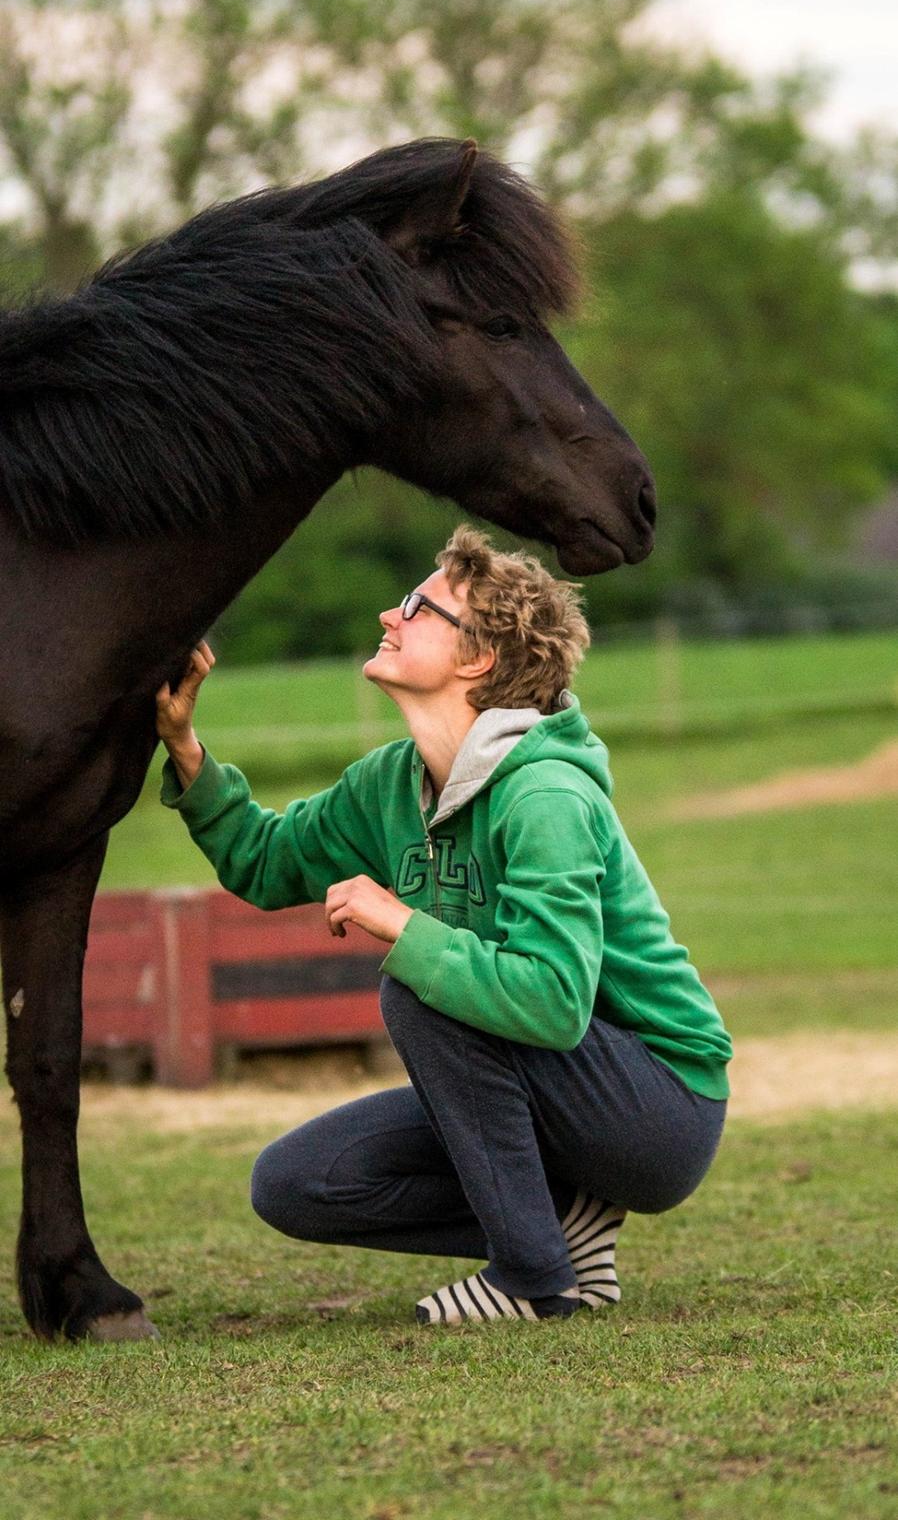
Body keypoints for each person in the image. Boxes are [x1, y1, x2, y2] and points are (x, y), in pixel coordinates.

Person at [156, 524, 732, 1325]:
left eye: (419, 609)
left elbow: (554, 1002)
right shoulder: (391, 783)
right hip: (542, 1088)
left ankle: (532, 1281)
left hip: (654, 1107)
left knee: (419, 989)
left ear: (478, 659)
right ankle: (563, 1237)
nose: (391, 617)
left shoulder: (547, 797)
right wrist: (184, 748)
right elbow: (264, 859)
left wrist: (402, 925)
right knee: (297, 1181)